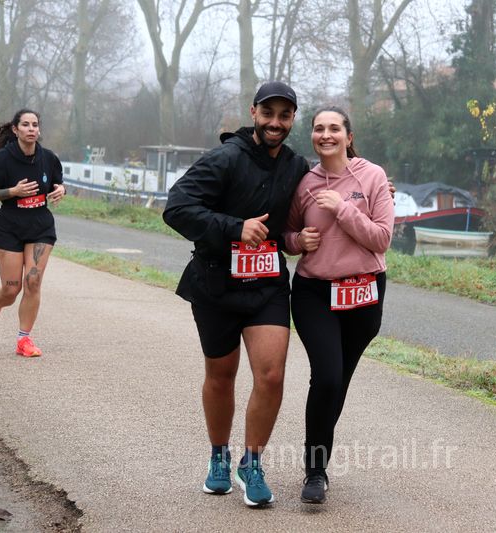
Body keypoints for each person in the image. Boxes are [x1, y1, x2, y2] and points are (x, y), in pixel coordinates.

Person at [163, 81, 310, 507]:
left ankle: (252, 463)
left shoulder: (296, 166)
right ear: (253, 113)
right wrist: (235, 227)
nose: (276, 122)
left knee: (272, 375)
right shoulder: (224, 158)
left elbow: (333, 179)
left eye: (284, 115)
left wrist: (376, 188)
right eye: (269, 113)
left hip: (266, 285)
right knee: (221, 375)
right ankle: (218, 458)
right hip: (217, 285)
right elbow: (176, 208)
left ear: (292, 119)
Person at [283, 106, 394, 504]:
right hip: (315, 292)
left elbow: (381, 239)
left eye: (334, 128)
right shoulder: (304, 182)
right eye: (318, 128)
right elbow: (287, 234)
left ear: (349, 136)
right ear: (312, 136)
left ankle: (318, 458)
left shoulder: (373, 176)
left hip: (364, 293)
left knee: (338, 383)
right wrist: (298, 242)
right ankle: (315, 472)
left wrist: (342, 209)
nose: (326, 134)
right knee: (327, 378)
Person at [0, 109, 65, 357]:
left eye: (35, 124)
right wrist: (13, 191)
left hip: (40, 226)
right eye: (25, 124)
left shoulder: (49, 158)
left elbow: (57, 183)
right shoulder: (2, 159)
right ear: (15, 129)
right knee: (11, 290)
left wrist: (61, 190)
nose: (31, 129)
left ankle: (24, 340)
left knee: (33, 282)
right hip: (9, 227)